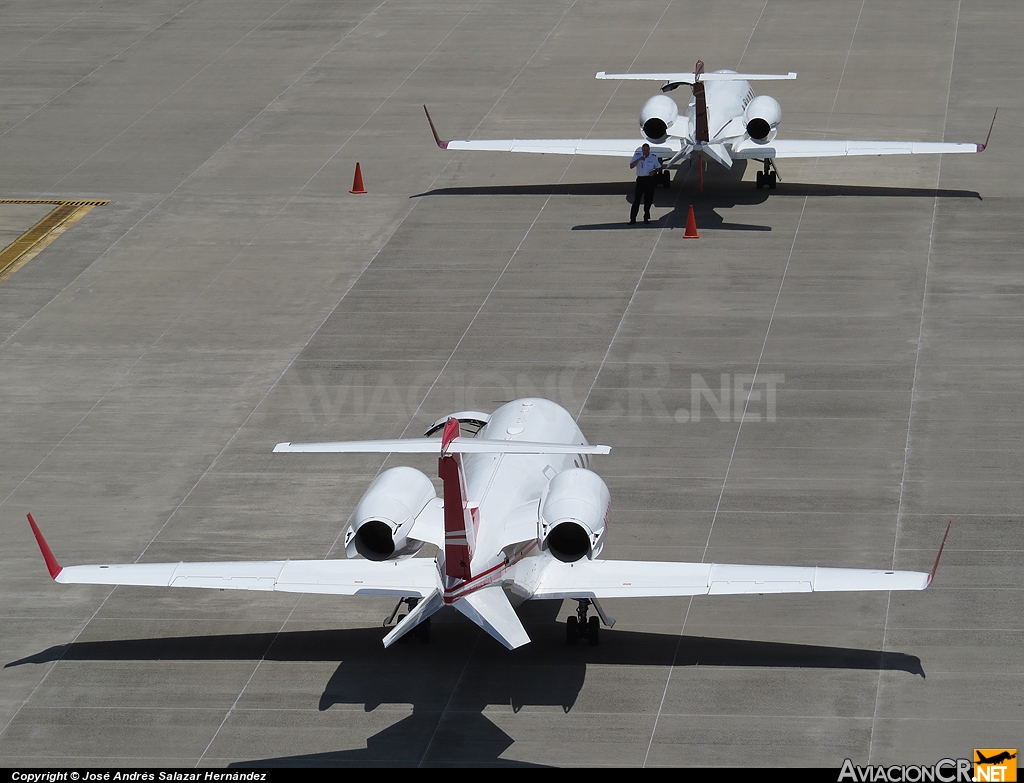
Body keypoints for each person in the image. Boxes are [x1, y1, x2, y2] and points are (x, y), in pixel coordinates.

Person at [629, 144, 662, 224]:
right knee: (637, 199)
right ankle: (633, 219)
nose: (645, 152)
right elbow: (631, 166)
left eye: (646, 150)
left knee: (648, 199)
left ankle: (646, 217)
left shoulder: (653, 157)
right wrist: (639, 159)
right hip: (640, 180)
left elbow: (658, 167)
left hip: (649, 180)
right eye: (644, 150)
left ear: (649, 150)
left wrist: (654, 171)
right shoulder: (637, 156)